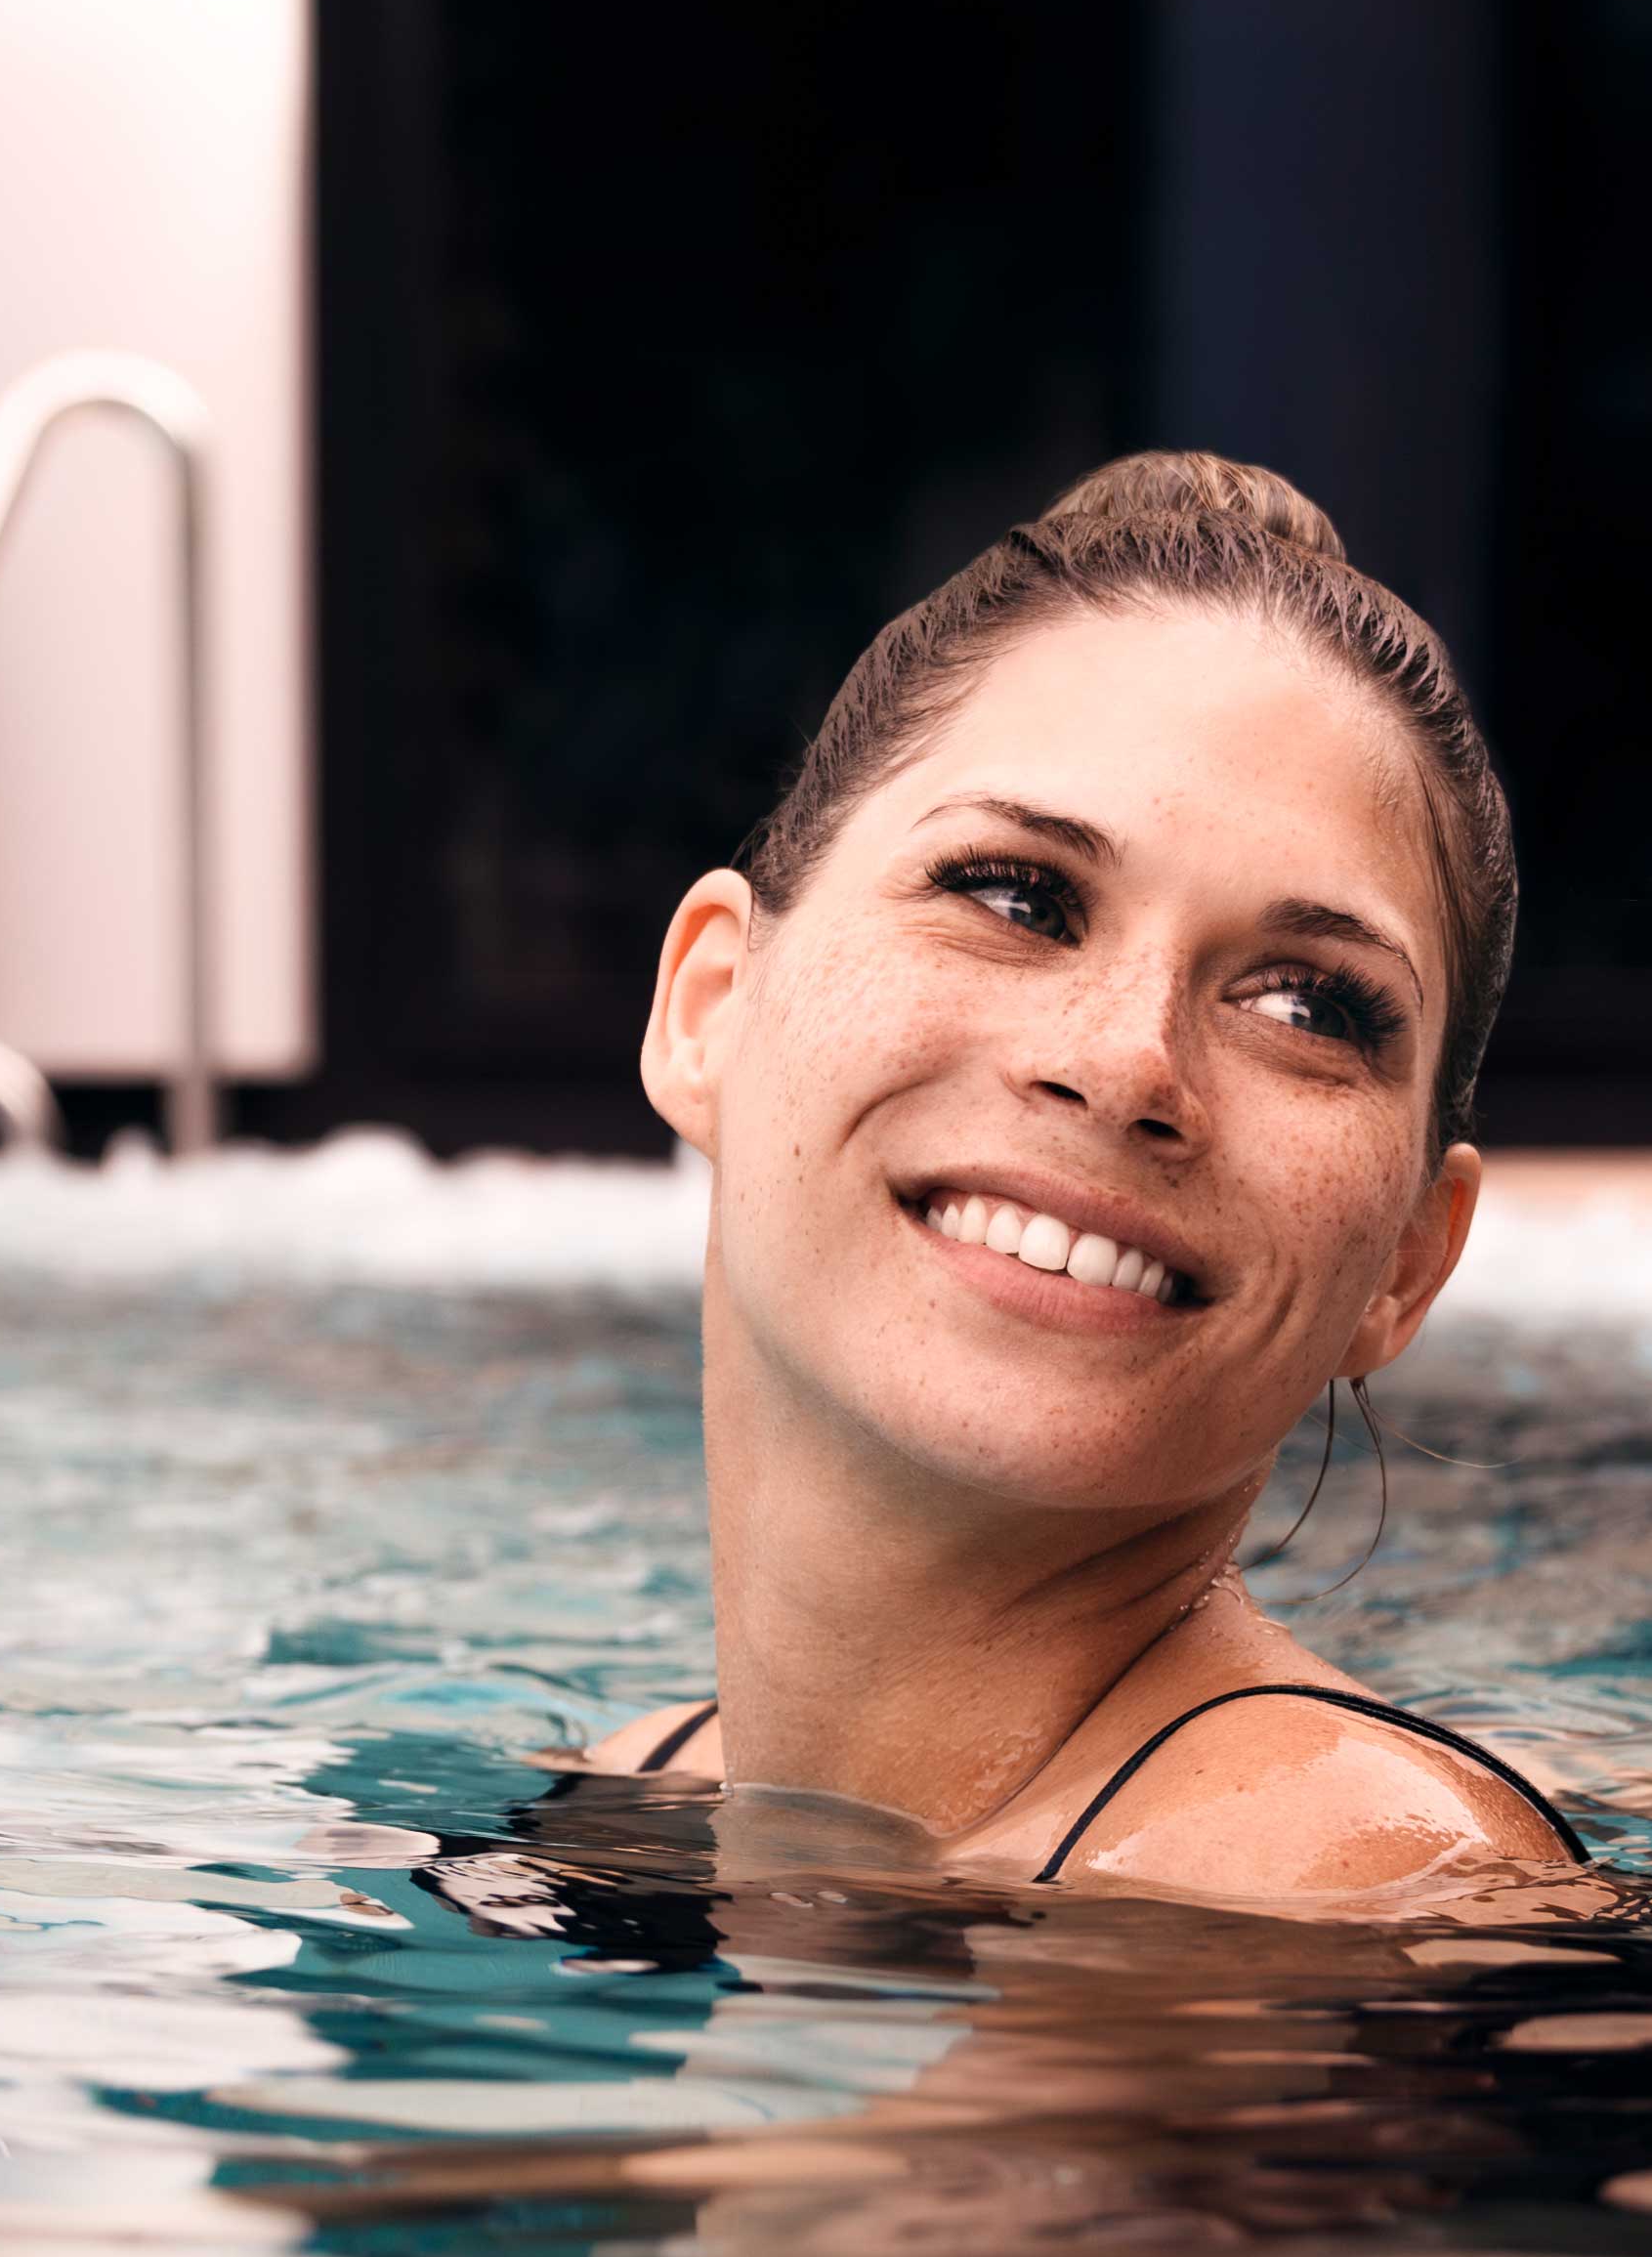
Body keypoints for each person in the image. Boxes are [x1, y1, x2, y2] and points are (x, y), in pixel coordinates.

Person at [599, 455, 1590, 1912]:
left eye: (1309, 1004)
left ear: (1408, 1264)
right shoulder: (648, 1784)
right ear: (711, 1007)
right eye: (1015, 897)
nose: (1127, 1064)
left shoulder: (1328, 1872)